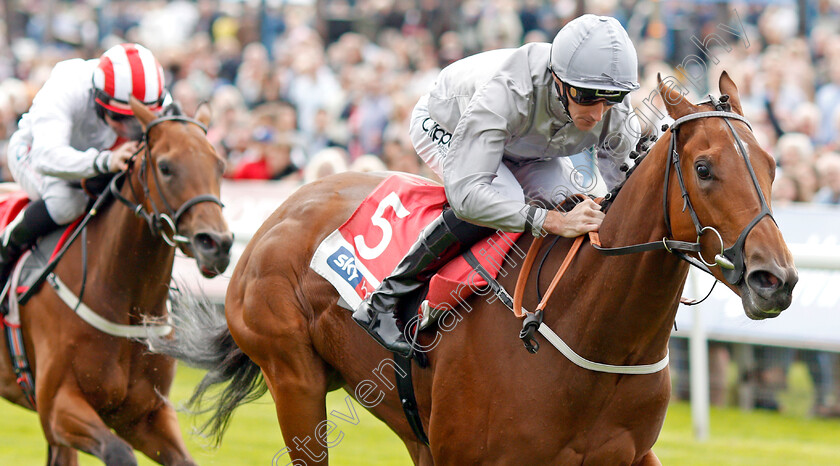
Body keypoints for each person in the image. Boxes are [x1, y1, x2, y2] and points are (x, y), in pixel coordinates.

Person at [353, 15, 642, 355]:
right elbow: (468, 196)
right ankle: (385, 298)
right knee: (507, 198)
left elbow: (625, 193)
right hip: (450, 121)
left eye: (611, 98)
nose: (596, 113)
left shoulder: (616, 113)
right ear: (557, 79)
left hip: (527, 143)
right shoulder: (508, 90)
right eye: (587, 96)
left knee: (564, 199)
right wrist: (552, 221)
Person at [0, 43, 168, 283]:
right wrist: (105, 161)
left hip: (101, 160)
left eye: (137, 121)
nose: (130, 130)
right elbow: (45, 157)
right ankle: (5, 248)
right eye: (120, 118)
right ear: (98, 98)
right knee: (67, 203)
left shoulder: (156, 95)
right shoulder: (68, 86)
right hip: (32, 154)